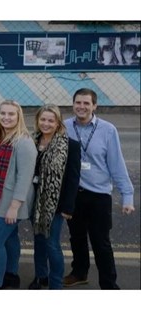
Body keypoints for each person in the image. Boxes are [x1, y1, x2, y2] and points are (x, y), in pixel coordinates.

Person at [63, 88, 135, 289]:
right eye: (78, 102)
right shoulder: (65, 126)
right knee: (76, 238)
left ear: (94, 106)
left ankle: (109, 284)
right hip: (73, 194)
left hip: (98, 196)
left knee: (100, 242)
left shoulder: (108, 130)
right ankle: (79, 272)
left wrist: (127, 195)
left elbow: (116, 164)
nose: (82, 107)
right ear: (73, 104)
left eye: (87, 103)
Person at [0, 100, 37, 289]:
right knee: (10, 238)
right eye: (2, 113)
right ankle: (11, 275)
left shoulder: (24, 142)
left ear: (19, 116)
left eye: (11, 114)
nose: (6, 117)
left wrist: (14, 207)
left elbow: (25, 178)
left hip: (11, 202)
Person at [28, 105, 81, 290]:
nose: (46, 123)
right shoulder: (31, 140)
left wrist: (68, 208)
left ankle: (55, 283)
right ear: (37, 120)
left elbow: (73, 178)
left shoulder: (70, 145)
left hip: (55, 204)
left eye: (51, 120)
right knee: (38, 241)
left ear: (58, 122)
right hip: (33, 200)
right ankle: (40, 276)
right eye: (43, 119)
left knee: (51, 243)